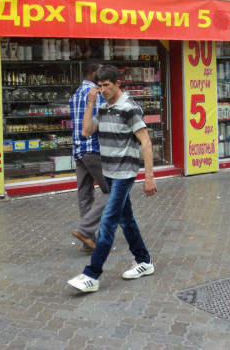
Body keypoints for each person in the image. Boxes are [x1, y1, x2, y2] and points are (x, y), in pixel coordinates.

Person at [68, 64, 158, 293]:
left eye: (107, 85)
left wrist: (149, 177)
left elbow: (146, 142)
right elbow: (86, 131)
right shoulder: (104, 107)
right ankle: (144, 260)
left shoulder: (130, 108)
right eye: (100, 86)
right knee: (126, 220)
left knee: (108, 223)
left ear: (118, 83)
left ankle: (92, 275)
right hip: (108, 172)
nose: (103, 90)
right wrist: (91, 102)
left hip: (124, 174)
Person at [69, 60, 109, 252]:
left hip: (78, 149)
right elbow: (102, 122)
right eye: (100, 73)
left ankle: (88, 242)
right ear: (92, 72)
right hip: (93, 148)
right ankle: (85, 229)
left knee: (85, 195)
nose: (102, 78)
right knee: (113, 191)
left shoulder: (76, 94)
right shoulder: (95, 94)